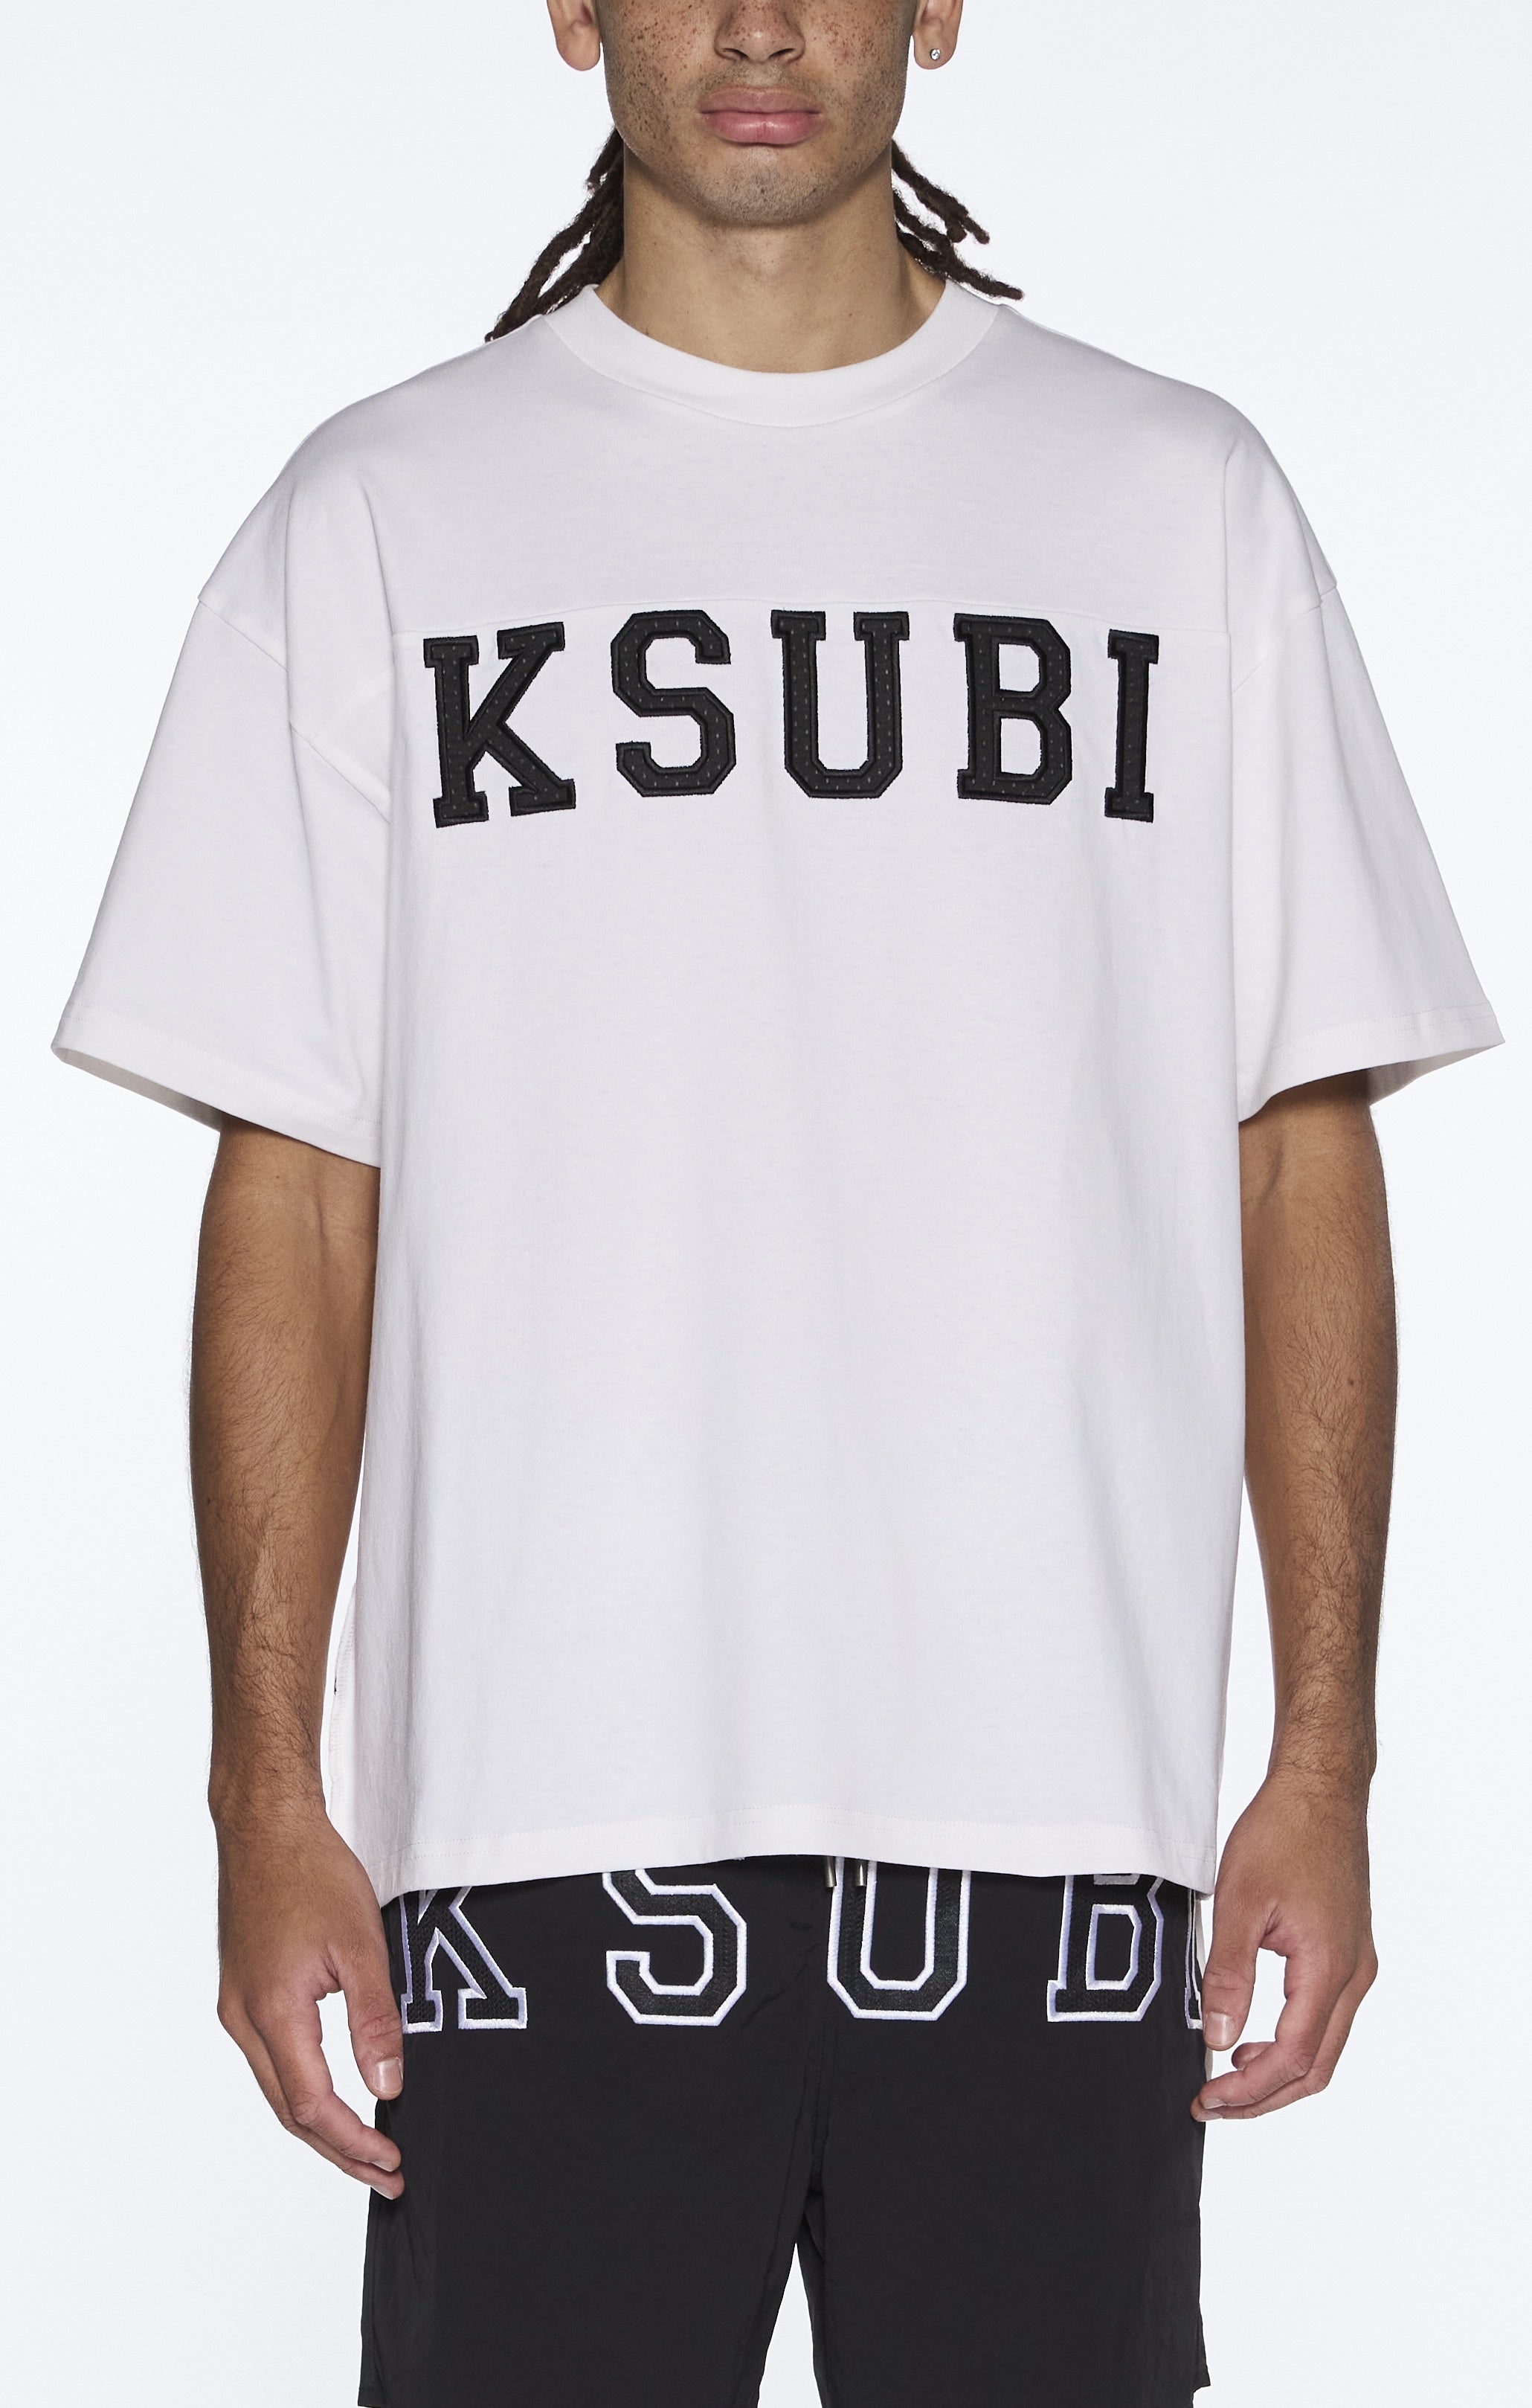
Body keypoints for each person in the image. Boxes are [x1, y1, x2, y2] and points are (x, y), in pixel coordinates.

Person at [54, 3, 1500, 2403]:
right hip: (535, 1819)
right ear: (571, 9)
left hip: (1051, 1818)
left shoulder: (1174, 502)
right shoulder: (385, 514)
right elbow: (299, 1188)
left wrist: (1325, 1755)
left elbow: (1292, 1143)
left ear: (938, 6)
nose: (754, 24)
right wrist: (266, 1795)